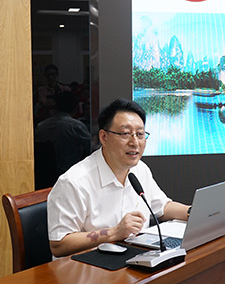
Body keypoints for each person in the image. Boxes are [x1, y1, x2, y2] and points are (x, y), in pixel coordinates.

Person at [47, 98, 190, 257]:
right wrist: (114, 232)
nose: (135, 142)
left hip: (134, 258)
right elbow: (59, 245)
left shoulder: (140, 169)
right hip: (88, 265)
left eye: (140, 134)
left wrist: (193, 213)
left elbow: (162, 207)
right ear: (104, 137)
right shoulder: (73, 182)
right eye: (125, 134)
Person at [34, 90, 91, 177]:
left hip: (44, 176)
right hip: (71, 175)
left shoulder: (40, 127)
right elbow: (90, 147)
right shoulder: (76, 126)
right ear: (76, 107)